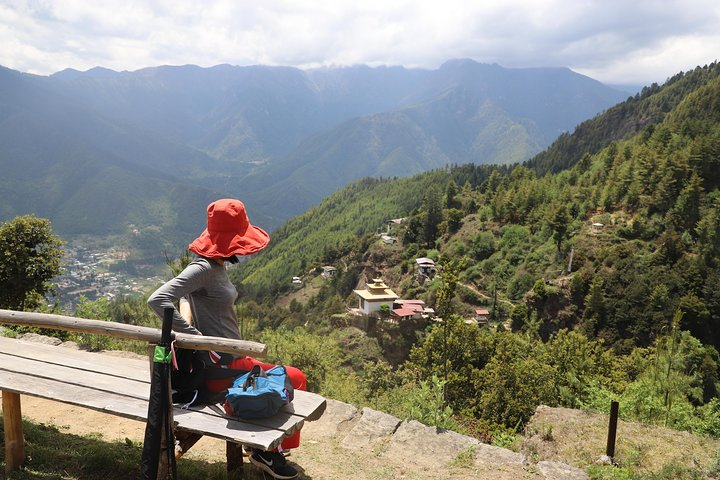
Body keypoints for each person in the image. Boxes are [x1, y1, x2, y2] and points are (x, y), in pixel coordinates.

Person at [148, 198, 304, 480]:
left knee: (282, 376)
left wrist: (194, 329)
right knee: (294, 378)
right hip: (220, 365)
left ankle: (267, 448)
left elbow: (185, 295)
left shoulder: (214, 266)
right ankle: (266, 451)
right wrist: (198, 339)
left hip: (230, 358)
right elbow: (158, 299)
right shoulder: (204, 268)